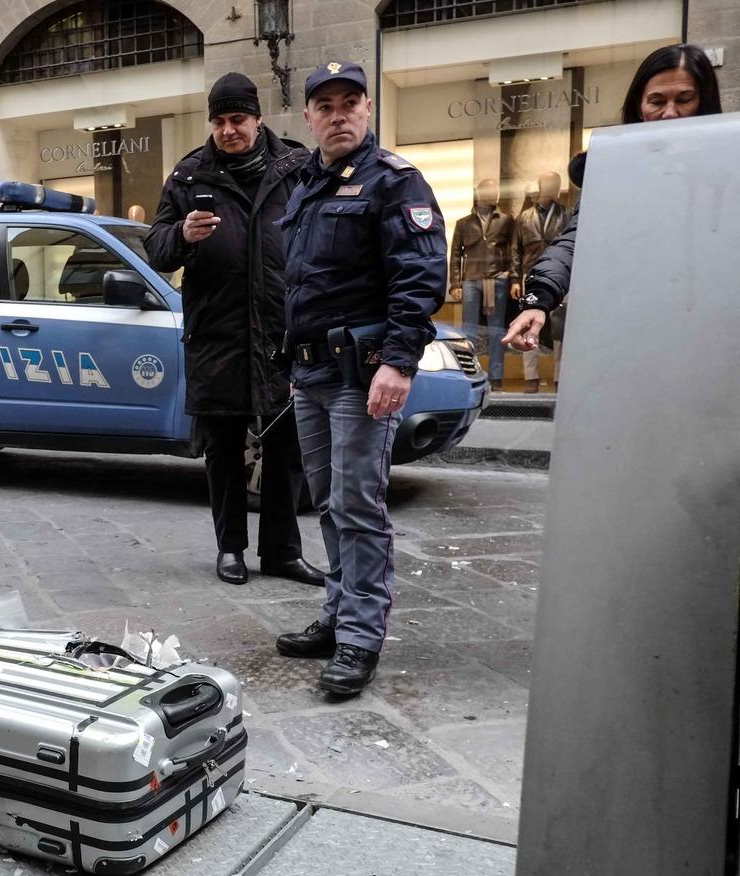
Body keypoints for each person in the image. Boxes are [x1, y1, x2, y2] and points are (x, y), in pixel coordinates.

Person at [273, 62, 446, 696]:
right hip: (311, 373)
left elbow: (420, 280)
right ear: (309, 117)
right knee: (326, 502)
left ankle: (361, 636)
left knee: (358, 507)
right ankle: (337, 614)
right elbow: (300, 286)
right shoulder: (305, 188)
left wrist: (399, 363)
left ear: (368, 109)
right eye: (326, 105)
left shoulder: (395, 182)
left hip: (363, 373)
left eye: (350, 103)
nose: (338, 114)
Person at [144, 73, 326, 588]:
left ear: (258, 118)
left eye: (238, 120)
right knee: (223, 450)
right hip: (218, 335)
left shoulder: (296, 168)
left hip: (283, 334)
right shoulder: (188, 176)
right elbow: (155, 249)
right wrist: (180, 235)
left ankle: (283, 551)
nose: (228, 131)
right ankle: (230, 549)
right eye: (220, 121)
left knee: (287, 449)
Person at [504, 44, 722, 354]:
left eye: (684, 99)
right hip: (629, 328)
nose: (670, 113)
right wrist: (539, 299)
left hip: (710, 329)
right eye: (656, 101)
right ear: (639, 106)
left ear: (705, 102)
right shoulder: (614, 171)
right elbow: (575, 241)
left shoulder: (728, 168)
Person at [449, 179, 515, 391]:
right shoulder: (464, 223)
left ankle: (496, 377)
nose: (493, 193)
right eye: (488, 190)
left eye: (496, 190)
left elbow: (513, 250)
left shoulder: (505, 220)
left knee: (496, 330)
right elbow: (456, 255)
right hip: (471, 279)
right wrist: (455, 284)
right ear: (478, 194)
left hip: (497, 280)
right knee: (468, 330)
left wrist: (511, 277)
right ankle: (469, 373)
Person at [510, 172, 569, 385]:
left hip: (559, 275)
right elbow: (515, 249)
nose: (552, 187)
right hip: (531, 272)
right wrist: (516, 279)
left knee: (559, 328)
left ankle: (559, 377)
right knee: (528, 324)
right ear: (541, 186)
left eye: (556, 183)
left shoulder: (566, 214)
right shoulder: (525, 217)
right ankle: (531, 377)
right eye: (548, 183)